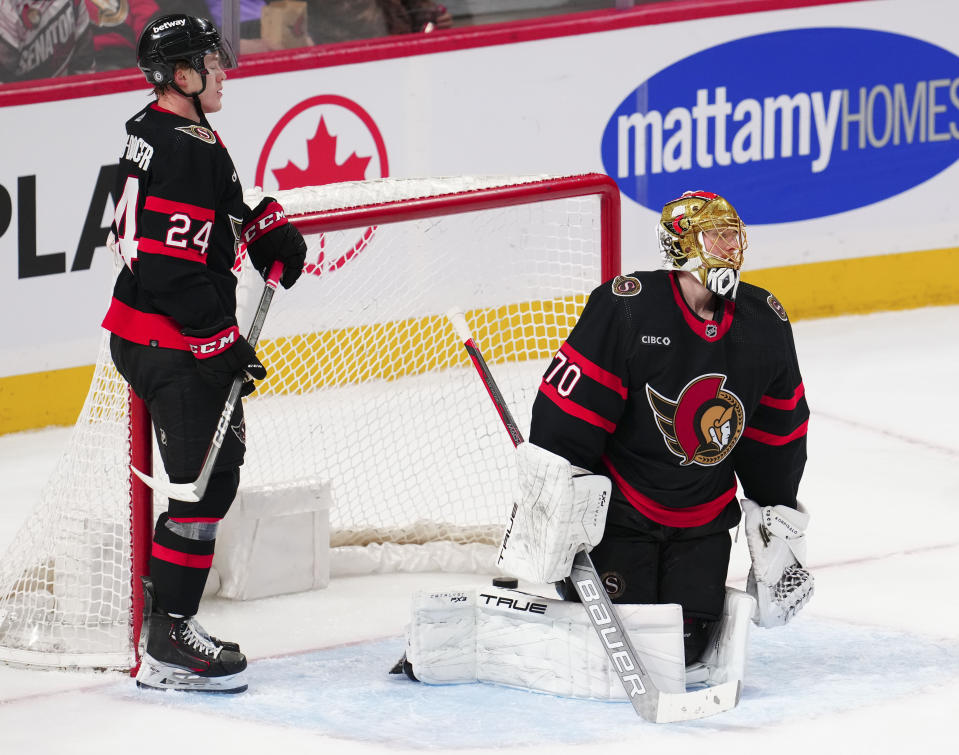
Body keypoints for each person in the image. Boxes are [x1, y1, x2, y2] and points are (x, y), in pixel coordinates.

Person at [396, 190, 813, 704]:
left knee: (683, 651)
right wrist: (558, 500)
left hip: (702, 521)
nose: (729, 247)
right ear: (683, 245)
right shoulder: (629, 309)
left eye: (733, 235)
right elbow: (565, 417)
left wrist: (776, 510)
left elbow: (779, 433)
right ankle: (482, 628)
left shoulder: (764, 322)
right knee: (613, 652)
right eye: (716, 235)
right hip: (622, 518)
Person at [101, 13, 306, 693]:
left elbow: (197, 221)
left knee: (207, 481)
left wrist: (259, 224)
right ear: (181, 75)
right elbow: (168, 268)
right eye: (211, 62)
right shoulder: (191, 145)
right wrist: (221, 344)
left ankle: (167, 619)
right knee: (201, 488)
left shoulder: (160, 130)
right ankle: (169, 643)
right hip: (171, 339)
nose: (223, 71)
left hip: (154, 331)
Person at [0, 0, 95, 82]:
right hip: (26, 99)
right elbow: (5, 88)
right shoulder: (6, 13)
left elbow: (84, 63)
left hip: (67, 94)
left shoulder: (74, 2)